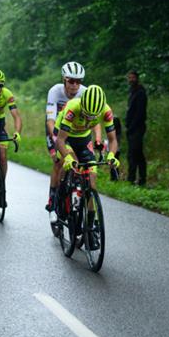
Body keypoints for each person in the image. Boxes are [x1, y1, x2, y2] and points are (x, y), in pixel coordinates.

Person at [54, 85, 120, 242]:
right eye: (86, 114)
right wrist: (67, 158)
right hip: (65, 137)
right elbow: (60, 141)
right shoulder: (72, 108)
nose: (90, 119)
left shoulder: (106, 111)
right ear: (82, 104)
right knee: (71, 162)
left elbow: (112, 139)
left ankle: (90, 228)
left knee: (92, 182)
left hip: (83, 139)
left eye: (93, 117)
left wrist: (111, 155)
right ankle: (61, 196)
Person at [45, 62, 99, 227]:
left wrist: (97, 139)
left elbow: (94, 120)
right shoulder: (55, 91)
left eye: (78, 81)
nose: (75, 85)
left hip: (77, 133)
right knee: (59, 162)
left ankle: (78, 190)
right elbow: (50, 120)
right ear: (64, 80)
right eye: (71, 81)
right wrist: (57, 141)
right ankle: (53, 202)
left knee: (83, 168)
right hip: (57, 130)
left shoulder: (85, 93)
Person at [125, 70, 147, 186]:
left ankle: (133, 178)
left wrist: (132, 127)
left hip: (137, 127)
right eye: (129, 78)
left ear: (137, 78)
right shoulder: (132, 91)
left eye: (133, 77)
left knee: (135, 153)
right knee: (135, 153)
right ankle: (137, 178)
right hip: (131, 128)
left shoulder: (140, 92)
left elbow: (140, 113)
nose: (131, 80)